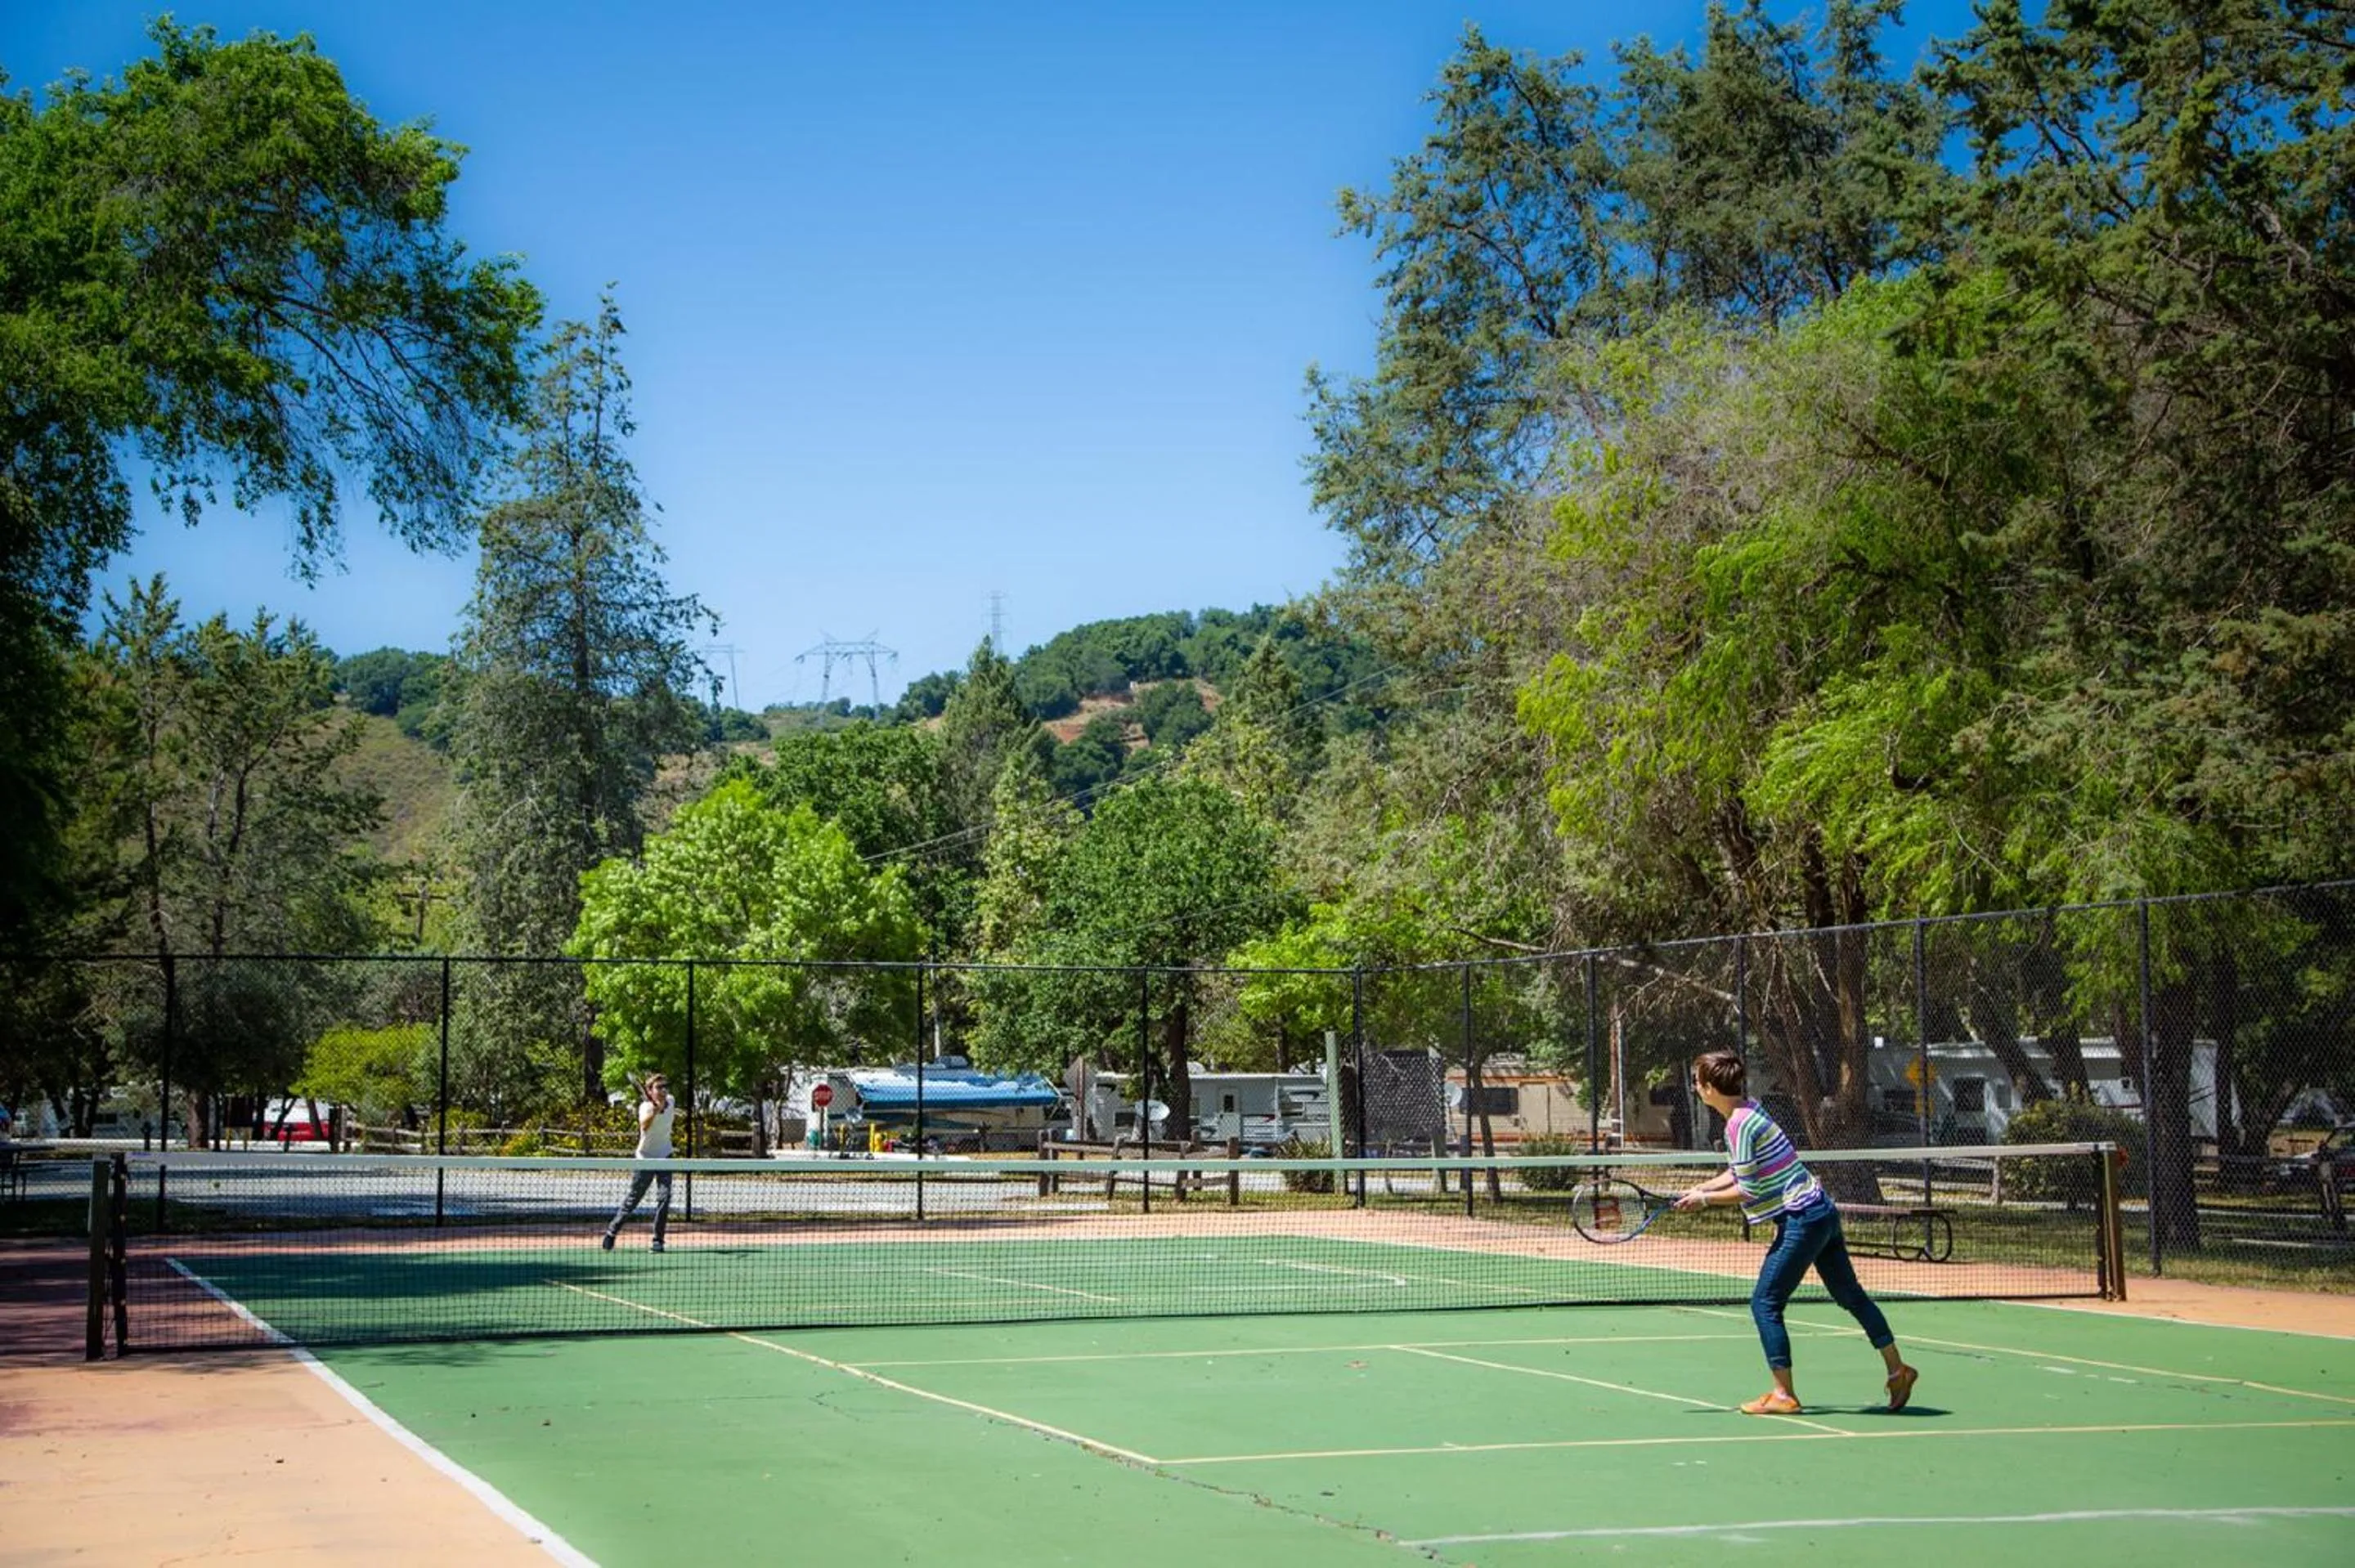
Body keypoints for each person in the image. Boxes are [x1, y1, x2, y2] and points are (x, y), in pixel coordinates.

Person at [1674, 1051, 1919, 1415]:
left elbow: (1749, 1190)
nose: (1695, 1088)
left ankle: (1783, 1394)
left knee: (1765, 1303)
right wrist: (1700, 1190)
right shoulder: (1750, 1109)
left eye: (1697, 1082)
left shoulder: (1738, 1125)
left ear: (1710, 1088)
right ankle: (1897, 1369)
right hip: (1822, 1211)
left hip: (1802, 1218)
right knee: (1850, 1295)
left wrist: (1706, 1202)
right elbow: (1741, 1172)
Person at [601, 1073, 676, 1253]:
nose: (664, 1090)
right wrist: (656, 1110)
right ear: (650, 1091)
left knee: (664, 1198)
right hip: (645, 1158)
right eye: (659, 1087)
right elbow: (644, 1125)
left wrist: (661, 1107)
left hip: (665, 1156)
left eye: (665, 1086)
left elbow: (667, 1109)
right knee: (633, 1199)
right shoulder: (644, 1107)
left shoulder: (671, 1101)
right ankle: (612, 1231)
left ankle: (658, 1240)